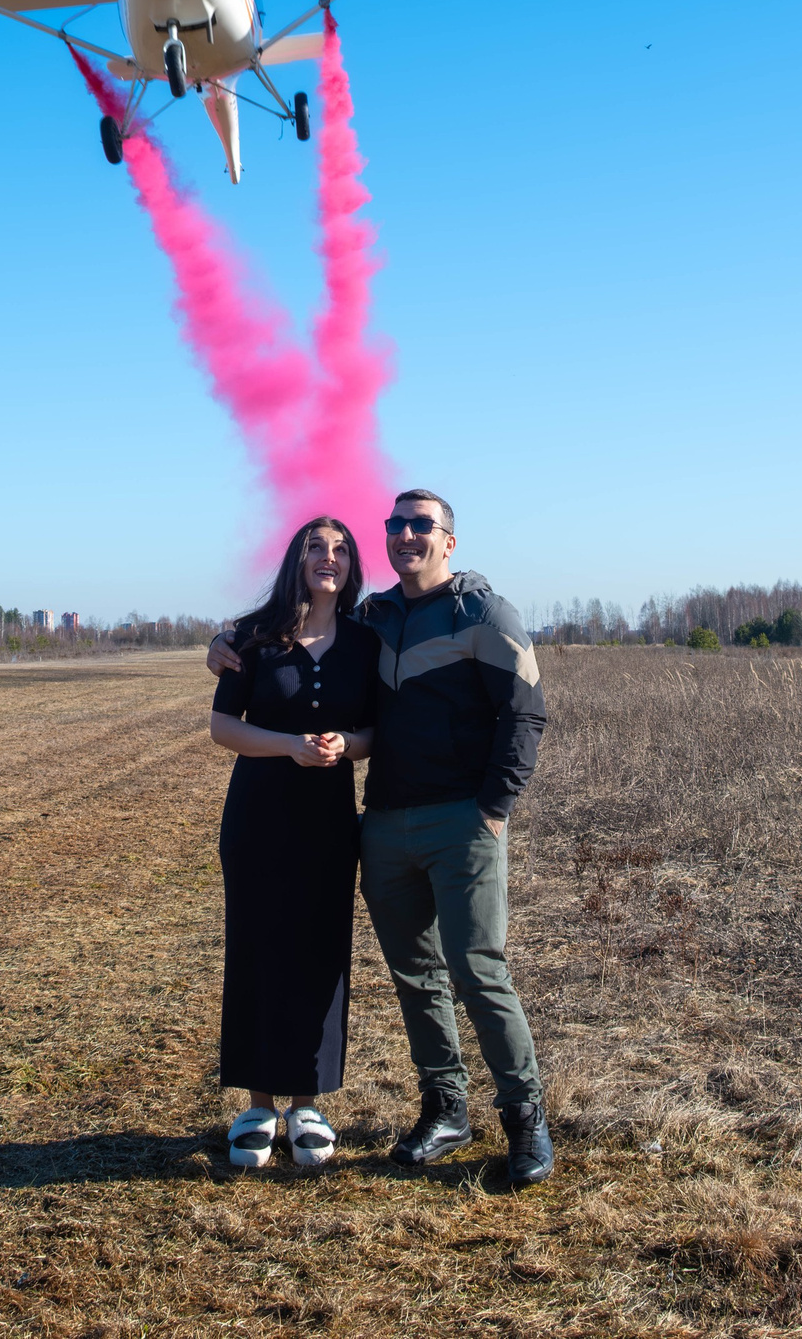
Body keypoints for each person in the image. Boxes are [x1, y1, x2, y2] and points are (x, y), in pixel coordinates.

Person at [210, 489, 553, 1187]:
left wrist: (493, 807)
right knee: (415, 975)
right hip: (387, 822)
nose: (405, 534)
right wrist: (222, 643)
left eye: (421, 524)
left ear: (449, 541)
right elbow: (286, 637)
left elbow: (525, 713)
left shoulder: (482, 611)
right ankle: (444, 1106)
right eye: (396, 524)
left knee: (477, 968)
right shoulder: (377, 616)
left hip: (461, 819)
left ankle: (525, 1117)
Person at [206, 516, 380, 1169]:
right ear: (296, 558)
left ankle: (306, 1102)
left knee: (318, 950)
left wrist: (344, 747)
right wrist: (288, 746)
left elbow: (372, 732)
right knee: (256, 946)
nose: (326, 557)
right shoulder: (252, 638)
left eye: (339, 549)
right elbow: (223, 726)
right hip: (257, 815)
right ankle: (257, 1103)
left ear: (350, 564)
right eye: (315, 545)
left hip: (328, 819)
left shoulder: (365, 641)